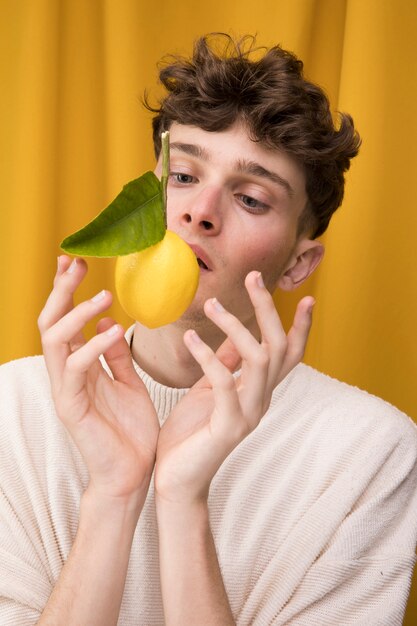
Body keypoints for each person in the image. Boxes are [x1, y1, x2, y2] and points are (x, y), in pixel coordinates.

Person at [1, 33, 416, 626]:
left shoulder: (370, 453)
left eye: (250, 198)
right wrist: (115, 495)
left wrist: (181, 500)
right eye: (184, 176)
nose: (200, 212)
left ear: (298, 264)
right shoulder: (11, 413)